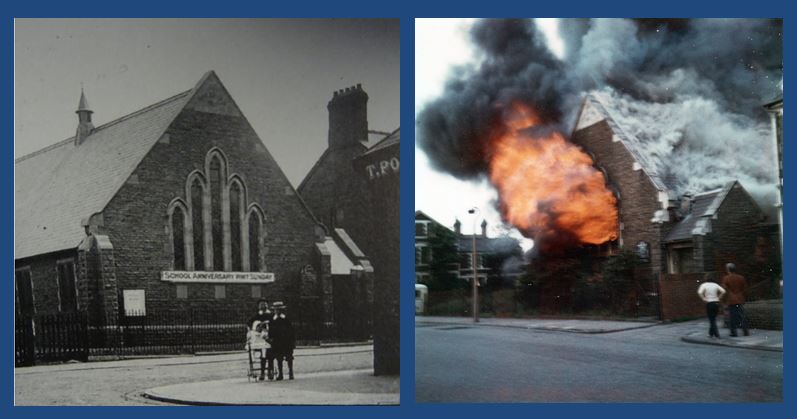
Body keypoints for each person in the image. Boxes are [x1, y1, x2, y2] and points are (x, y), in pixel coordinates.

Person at [246, 300, 274, 381]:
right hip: (260, 339)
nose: (263, 306)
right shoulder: (258, 315)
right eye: (261, 304)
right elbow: (249, 323)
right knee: (263, 355)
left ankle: (270, 371)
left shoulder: (271, 315)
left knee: (270, 355)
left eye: (264, 304)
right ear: (259, 306)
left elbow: (275, 324)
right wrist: (253, 330)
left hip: (269, 337)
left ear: (267, 305)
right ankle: (262, 372)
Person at [269, 301, 296, 380]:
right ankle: (280, 374)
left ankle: (291, 373)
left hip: (287, 341)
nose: (277, 311)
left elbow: (291, 330)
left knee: (289, 357)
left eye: (279, 309)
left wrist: (292, 341)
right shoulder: (273, 320)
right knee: (279, 358)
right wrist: (271, 338)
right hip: (277, 342)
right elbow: (271, 330)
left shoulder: (286, 319)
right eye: (276, 309)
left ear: (282, 310)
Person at [721, 263, 750, 337]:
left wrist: (724, 300)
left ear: (728, 269)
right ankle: (745, 331)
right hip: (740, 299)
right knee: (742, 316)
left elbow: (724, 290)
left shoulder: (726, 278)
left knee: (732, 317)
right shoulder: (741, 277)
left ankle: (733, 333)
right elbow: (745, 289)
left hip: (731, 300)